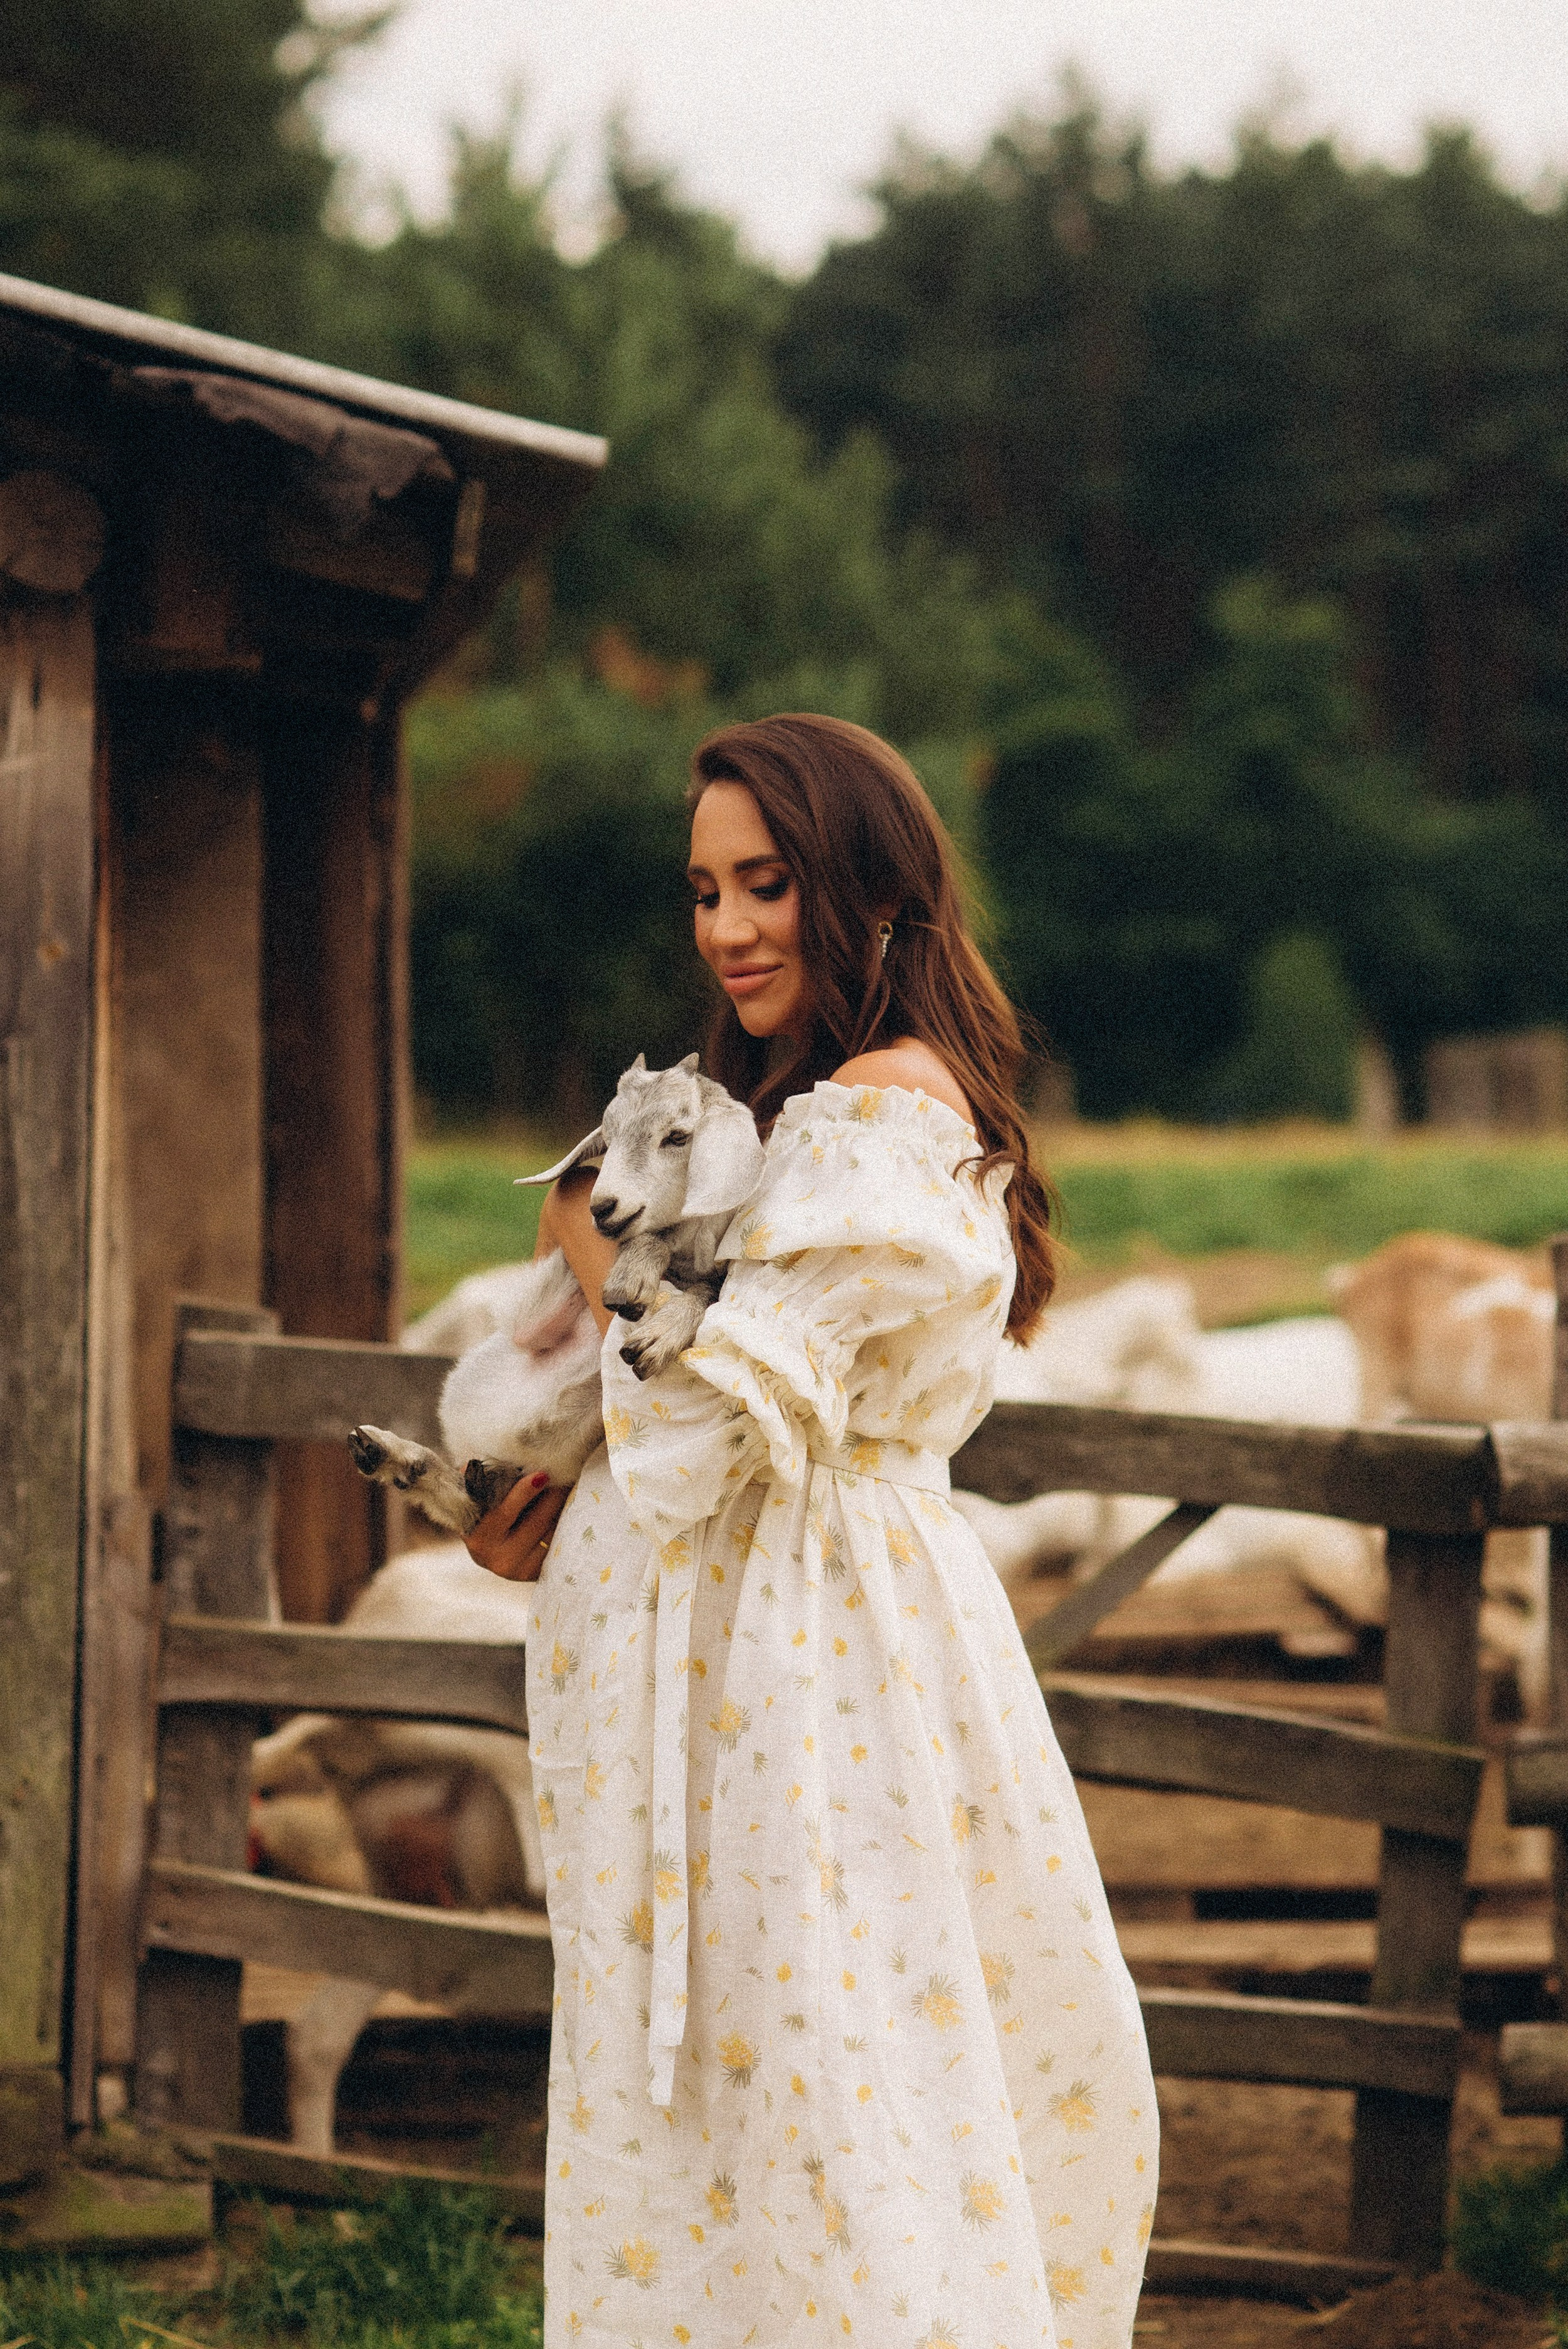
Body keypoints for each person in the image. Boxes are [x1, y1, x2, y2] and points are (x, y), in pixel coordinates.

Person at [466, 714, 1157, 2348]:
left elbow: (714, 1413)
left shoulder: (883, 1109)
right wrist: (550, 1501)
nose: (726, 926)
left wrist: (589, 1239)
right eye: (705, 889)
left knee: (837, 2083)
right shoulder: (787, 1112)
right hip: (730, 1663)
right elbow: (692, 1402)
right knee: (755, 2093)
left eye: (766, 883)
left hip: (810, 1665)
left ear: (874, 888)